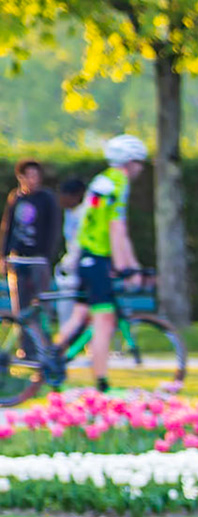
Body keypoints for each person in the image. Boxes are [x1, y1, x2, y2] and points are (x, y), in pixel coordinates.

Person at [48, 134, 148, 392]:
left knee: (80, 314)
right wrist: (128, 267)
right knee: (104, 321)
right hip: (97, 258)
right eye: (139, 162)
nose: (141, 168)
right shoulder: (118, 183)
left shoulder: (101, 181)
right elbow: (117, 230)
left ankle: (51, 357)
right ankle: (102, 384)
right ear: (129, 162)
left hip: (86, 258)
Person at [1, 160, 59, 317]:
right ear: (21, 177)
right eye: (28, 175)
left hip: (38, 260)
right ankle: (24, 340)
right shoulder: (16, 198)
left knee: (41, 306)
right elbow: (8, 227)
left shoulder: (46, 198)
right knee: (20, 309)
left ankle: (42, 340)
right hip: (18, 260)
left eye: (35, 175)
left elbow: (53, 228)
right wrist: (4, 255)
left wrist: (47, 256)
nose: (32, 179)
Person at [52, 176, 88, 330]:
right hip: (70, 267)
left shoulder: (86, 213)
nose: (61, 200)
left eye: (64, 196)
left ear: (76, 195)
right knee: (66, 310)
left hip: (83, 267)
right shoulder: (69, 212)